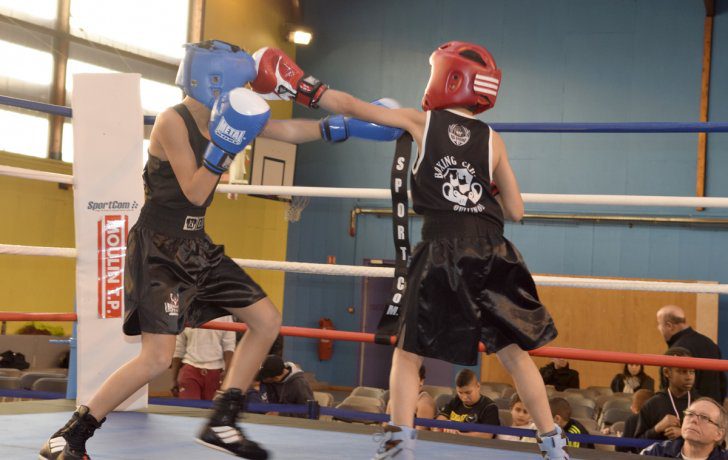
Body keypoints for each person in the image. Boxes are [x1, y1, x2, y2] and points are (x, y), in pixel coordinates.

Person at [38, 40, 400, 460]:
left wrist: (343, 127)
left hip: (197, 245)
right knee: (156, 359)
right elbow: (194, 192)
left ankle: (222, 422)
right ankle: (72, 434)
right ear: (216, 81)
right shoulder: (172, 123)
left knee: (266, 320)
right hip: (158, 248)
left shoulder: (226, 114)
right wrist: (225, 146)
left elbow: (288, 131)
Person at [250, 40, 566, 460]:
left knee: (407, 352)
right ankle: (552, 444)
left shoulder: (422, 122)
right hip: (494, 250)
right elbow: (516, 210)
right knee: (514, 354)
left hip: (442, 248)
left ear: (448, 78)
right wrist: (478, 187)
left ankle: (400, 442)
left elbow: (351, 104)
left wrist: (302, 85)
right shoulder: (494, 140)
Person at [657, 305, 727, 403]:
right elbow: (722, 383)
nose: (659, 328)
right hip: (712, 411)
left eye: (659, 324)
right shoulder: (710, 343)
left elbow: (668, 392)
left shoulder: (676, 352)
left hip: (688, 413)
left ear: (669, 326)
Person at [634, 347, 699, 442]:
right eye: (683, 371)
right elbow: (637, 446)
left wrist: (684, 433)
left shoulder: (702, 403)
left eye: (692, 372)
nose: (689, 377)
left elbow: (717, 441)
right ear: (667, 372)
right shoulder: (653, 404)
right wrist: (657, 428)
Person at [171, 315, 236, 400]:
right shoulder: (187, 311)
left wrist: (228, 373)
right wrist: (173, 379)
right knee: (189, 409)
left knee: (211, 411)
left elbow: (229, 346)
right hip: (190, 368)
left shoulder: (225, 315)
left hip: (216, 372)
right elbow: (179, 347)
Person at [640, 398, 728, 459]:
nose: (693, 420)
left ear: (719, 434)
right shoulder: (655, 452)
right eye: (690, 414)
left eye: (704, 417)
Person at [434, 369, 500, 439]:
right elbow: (440, 418)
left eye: (468, 392)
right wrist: (446, 424)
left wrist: (459, 435)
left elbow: (487, 435)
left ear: (478, 386)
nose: (464, 397)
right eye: (460, 392)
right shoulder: (457, 400)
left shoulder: (490, 407)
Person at [385, 365, 436, 430]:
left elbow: (420, 434)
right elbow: (385, 427)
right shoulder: (393, 400)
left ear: (421, 381)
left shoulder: (424, 403)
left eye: (411, 378)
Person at [614, 388, 654, 453]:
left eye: (632, 403)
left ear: (635, 405)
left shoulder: (632, 420)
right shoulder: (660, 418)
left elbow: (621, 448)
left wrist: (619, 439)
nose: (630, 407)